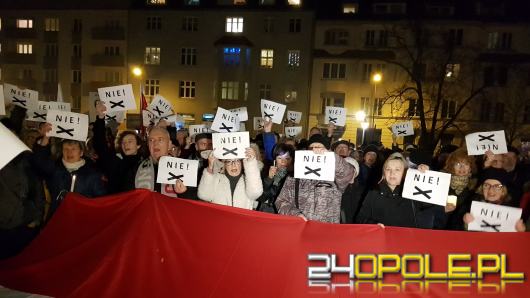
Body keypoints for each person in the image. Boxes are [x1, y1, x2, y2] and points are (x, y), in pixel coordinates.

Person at [31, 123, 107, 219]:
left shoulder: (92, 174)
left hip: (82, 221)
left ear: (81, 152)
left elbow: (100, 201)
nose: (69, 152)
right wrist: (45, 138)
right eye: (66, 149)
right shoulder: (54, 170)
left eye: (73, 149)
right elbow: (39, 162)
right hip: (56, 220)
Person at [275, 134, 355, 223]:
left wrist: (332, 157)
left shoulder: (335, 174)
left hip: (328, 230)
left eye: (320, 148)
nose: (315, 151)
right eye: (311, 148)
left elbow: (348, 173)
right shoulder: (294, 175)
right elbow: (281, 201)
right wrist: (295, 214)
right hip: (302, 228)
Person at [0, 152, 45, 259]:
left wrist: (36, 219)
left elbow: (38, 193)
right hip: (2, 225)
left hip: (24, 223)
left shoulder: (28, 165)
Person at [93, 101, 143, 193]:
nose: (126, 144)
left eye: (130, 141)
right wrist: (100, 118)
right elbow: (100, 145)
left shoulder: (144, 164)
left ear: (138, 145)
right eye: (123, 142)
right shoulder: (115, 162)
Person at [197, 147, 263, 209]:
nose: (233, 164)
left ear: (242, 163)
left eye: (237, 160)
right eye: (229, 161)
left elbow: (255, 193)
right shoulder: (217, 178)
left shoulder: (249, 180)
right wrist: (210, 168)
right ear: (224, 165)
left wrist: (251, 163)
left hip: (243, 220)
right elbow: (204, 195)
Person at [463, 168, 526, 232]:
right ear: (481, 188)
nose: (491, 190)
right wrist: (466, 223)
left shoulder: (512, 210)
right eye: (486, 185)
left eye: (497, 186)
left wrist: (520, 231)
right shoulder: (471, 205)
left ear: (503, 190)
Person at [135, 126, 187, 197]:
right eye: (151, 140)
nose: (155, 144)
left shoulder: (184, 168)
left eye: (160, 140)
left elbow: (193, 201)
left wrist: (183, 193)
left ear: (169, 145)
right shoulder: (136, 168)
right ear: (148, 145)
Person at [442, 149, 477, 230]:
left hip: (462, 231)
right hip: (441, 228)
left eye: (466, 164)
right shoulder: (442, 182)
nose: (462, 167)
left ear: (470, 167)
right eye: (457, 164)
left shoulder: (475, 187)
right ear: (451, 166)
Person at [256, 143, 295, 213]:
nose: (283, 161)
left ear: (292, 160)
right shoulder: (266, 171)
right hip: (266, 212)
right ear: (275, 159)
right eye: (280, 158)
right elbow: (261, 197)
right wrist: (269, 179)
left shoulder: (294, 177)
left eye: (287, 158)